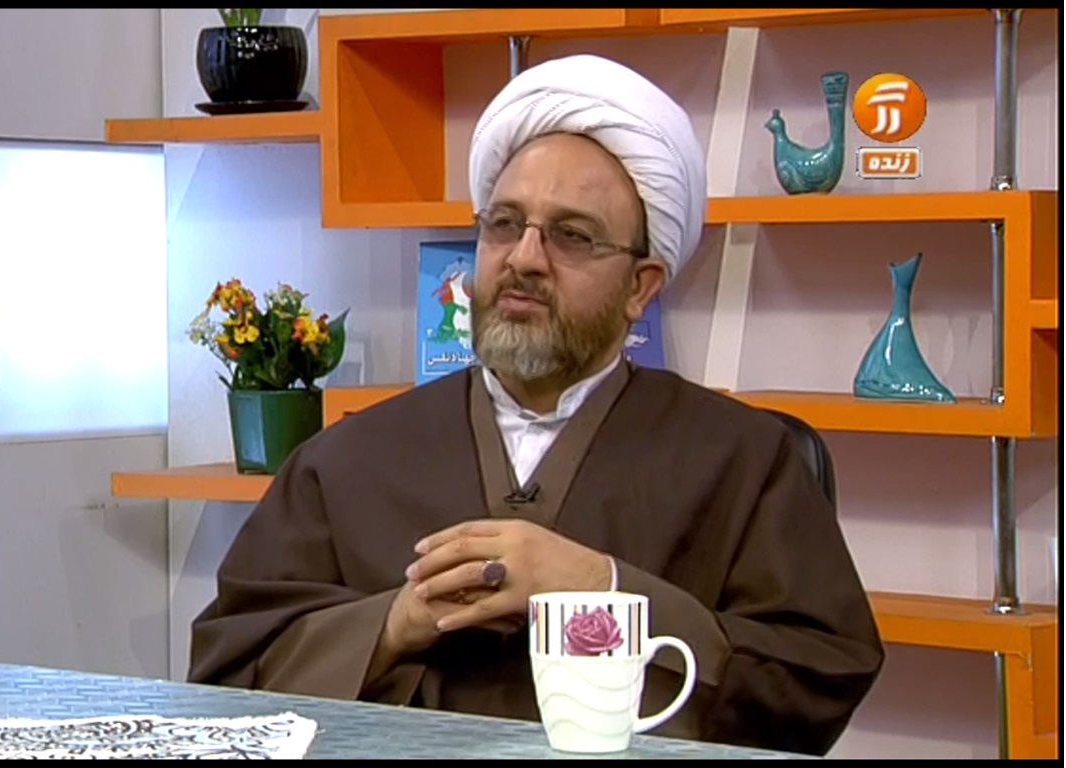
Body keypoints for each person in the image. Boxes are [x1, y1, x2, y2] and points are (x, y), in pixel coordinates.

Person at [187, 54, 884, 756]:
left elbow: (817, 677)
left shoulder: (741, 459)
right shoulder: (347, 460)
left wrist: (604, 588)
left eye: (571, 235)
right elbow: (230, 676)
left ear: (641, 287)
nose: (523, 258)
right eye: (503, 224)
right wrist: (396, 623)